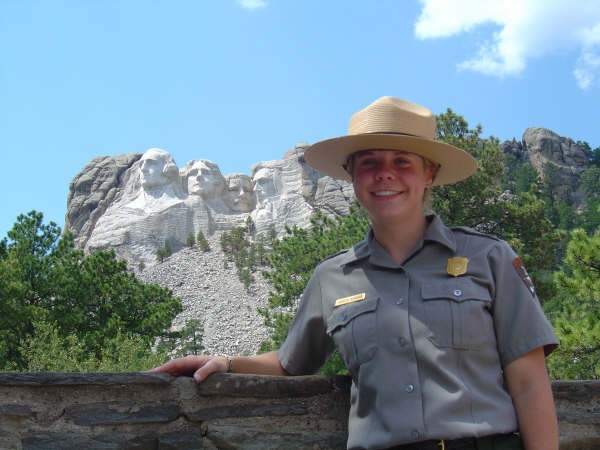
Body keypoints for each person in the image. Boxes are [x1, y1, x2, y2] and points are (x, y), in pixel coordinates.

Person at [150, 96, 559, 450]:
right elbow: (291, 362)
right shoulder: (332, 277)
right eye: (369, 163)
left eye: (403, 161)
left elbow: (529, 383)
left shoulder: (490, 258)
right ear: (351, 175)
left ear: (429, 173)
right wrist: (225, 361)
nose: (385, 173)